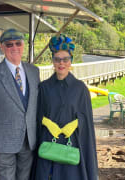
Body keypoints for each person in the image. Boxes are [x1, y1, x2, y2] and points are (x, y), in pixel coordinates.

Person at [34, 34, 98, 180]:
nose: (61, 63)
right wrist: (47, 123)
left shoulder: (80, 88)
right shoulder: (44, 87)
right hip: (50, 141)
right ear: (53, 61)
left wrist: (76, 123)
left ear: (71, 61)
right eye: (57, 59)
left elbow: (86, 118)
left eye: (65, 59)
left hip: (72, 143)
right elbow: (37, 115)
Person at [0, 28, 40, 180]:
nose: (14, 48)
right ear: (2, 47)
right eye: (9, 44)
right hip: (3, 144)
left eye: (18, 43)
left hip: (29, 141)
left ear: (23, 45)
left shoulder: (34, 71)